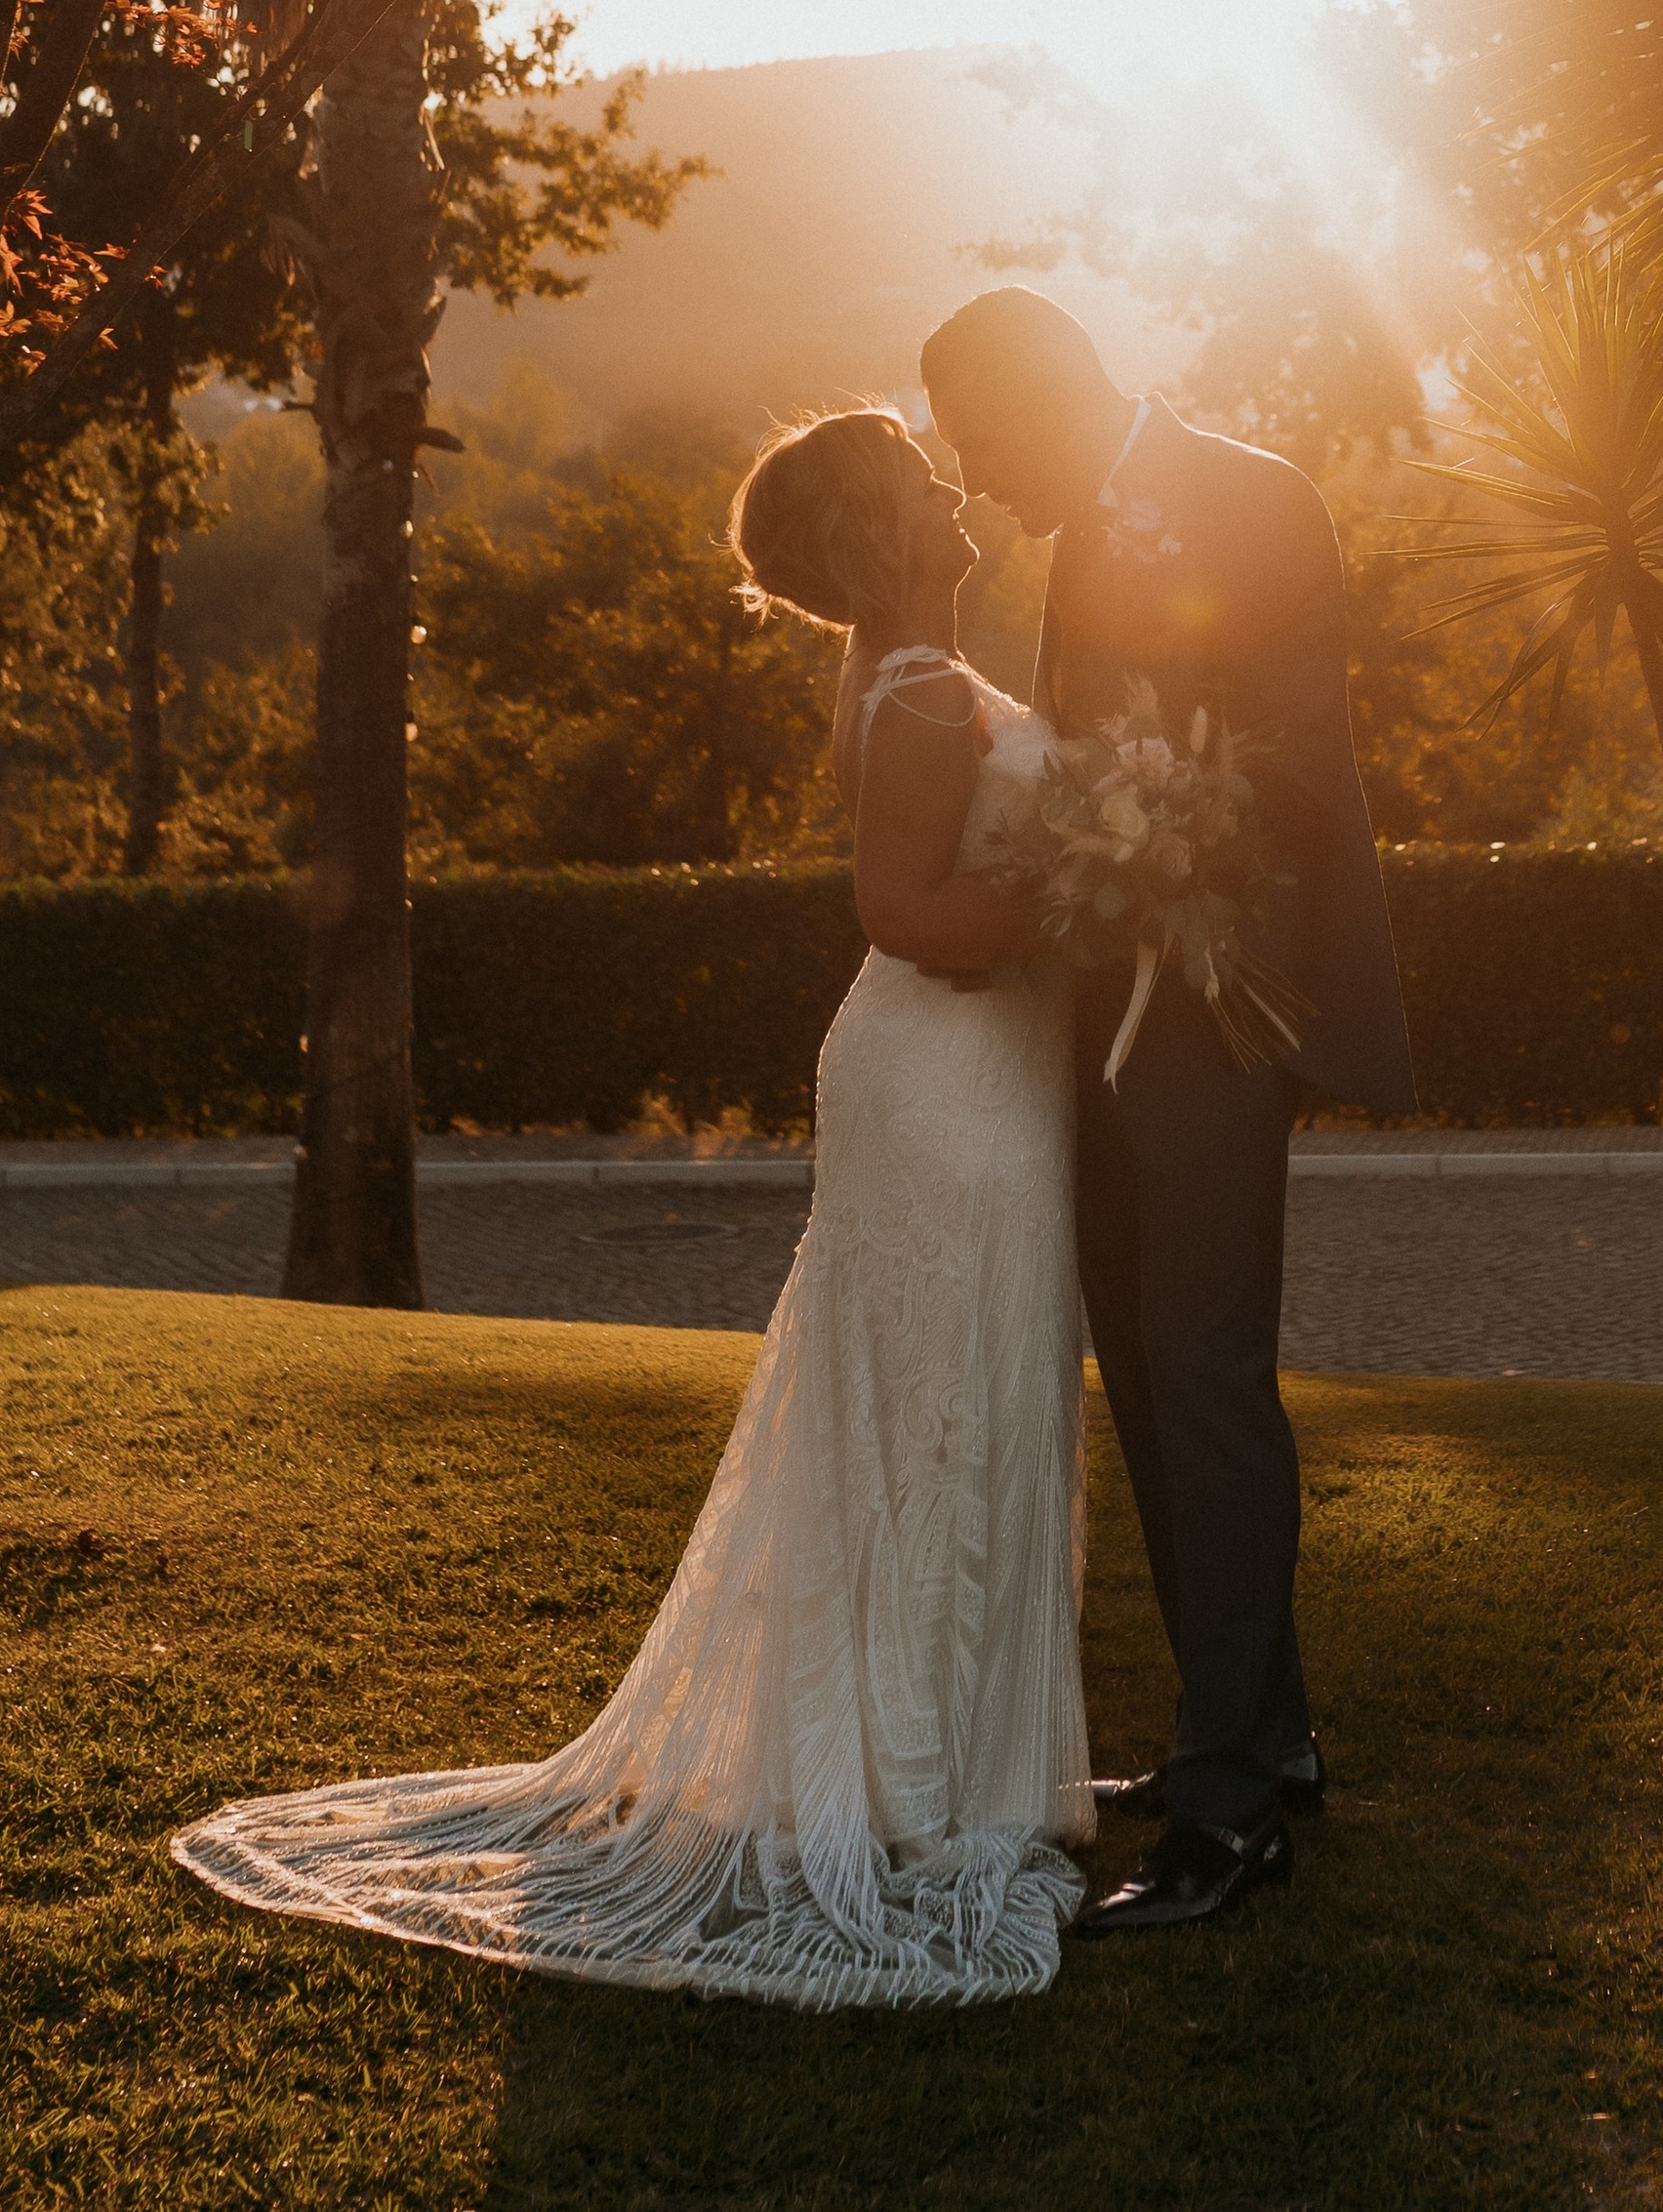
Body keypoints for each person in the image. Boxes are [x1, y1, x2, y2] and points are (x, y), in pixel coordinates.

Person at [171, 408, 1092, 2008]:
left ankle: (933, 1763)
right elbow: (897, 908)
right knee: (935, 1402)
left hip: (978, 1078)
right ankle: (919, 1781)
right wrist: (1092, 891)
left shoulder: (907, 672)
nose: (959, 487)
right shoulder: (923, 690)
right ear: (887, 527)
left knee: (955, 1395)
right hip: (946, 1084)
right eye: (926, 478)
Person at [921, 286, 1416, 1938]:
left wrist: (1133, 818)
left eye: (985, 440)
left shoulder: (1254, 497)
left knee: (1203, 1371)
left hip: (1217, 1004)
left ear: (1055, 394)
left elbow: (1288, 759)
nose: (979, 482)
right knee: (1142, 1358)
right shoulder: (1082, 534)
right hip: (1110, 1014)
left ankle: (1229, 1820)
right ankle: (1260, 1732)